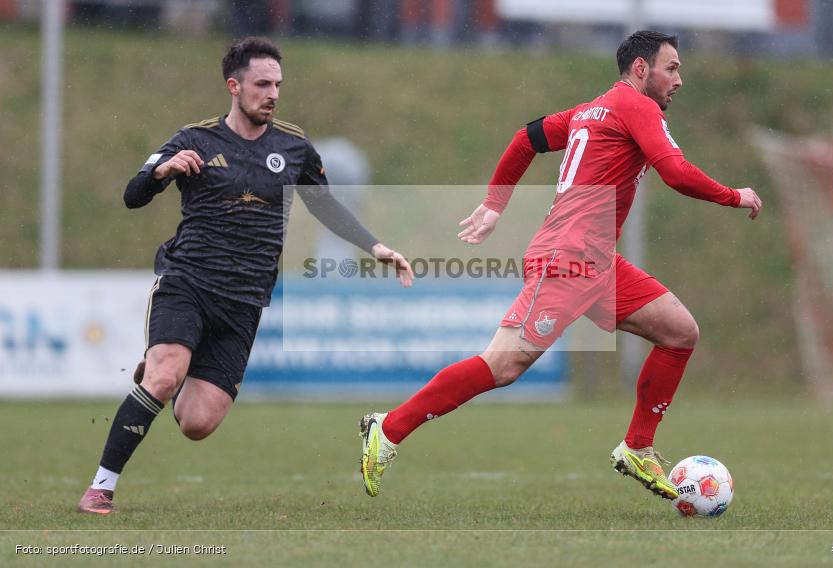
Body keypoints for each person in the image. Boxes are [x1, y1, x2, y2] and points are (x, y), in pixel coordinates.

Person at [359, 30, 762, 500]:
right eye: (671, 68)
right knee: (502, 366)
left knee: (679, 332)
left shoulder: (589, 111)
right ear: (640, 69)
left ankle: (637, 447)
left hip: (596, 261)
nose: (679, 79)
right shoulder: (637, 106)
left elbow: (524, 138)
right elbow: (675, 172)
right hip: (567, 259)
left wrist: (494, 204)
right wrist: (735, 196)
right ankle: (387, 429)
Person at [78, 36, 413, 514]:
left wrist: (376, 247)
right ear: (234, 86)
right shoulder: (194, 138)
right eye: (262, 84)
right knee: (165, 373)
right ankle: (101, 487)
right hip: (187, 280)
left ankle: (164, 373)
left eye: (277, 83)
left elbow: (326, 205)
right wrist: (163, 171)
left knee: (197, 423)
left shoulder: (293, 146)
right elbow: (133, 195)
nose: (272, 93)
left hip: (244, 300)